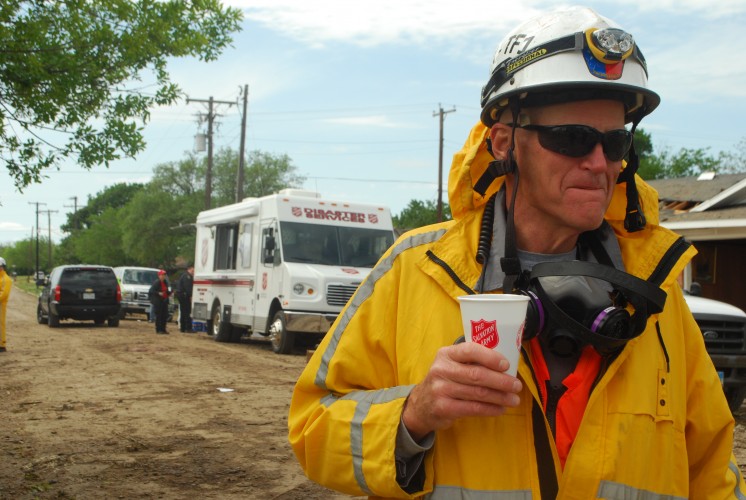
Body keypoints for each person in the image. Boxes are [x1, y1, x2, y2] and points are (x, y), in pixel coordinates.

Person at [288, 7, 746, 498]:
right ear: (504, 142)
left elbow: (712, 472)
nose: (598, 163)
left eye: (614, 143)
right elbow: (314, 426)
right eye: (572, 138)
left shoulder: (653, 295)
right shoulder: (413, 272)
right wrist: (414, 414)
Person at [148, 269, 171, 334]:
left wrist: (169, 293)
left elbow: (166, 290)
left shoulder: (165, 282)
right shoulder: (157, 282)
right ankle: (158, 329)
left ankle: (163, 329)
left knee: (164, 315)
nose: (163, 276)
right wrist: (158, 293)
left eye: (164, 275)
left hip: (164, 300)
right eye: (162, 275)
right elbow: (152, 291)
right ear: (159, 276)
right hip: (158, 301)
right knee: (159, 316)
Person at [175, 264, 194, 333]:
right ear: (190, 269)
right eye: (193, 269)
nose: (194, 271)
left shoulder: (185, 275)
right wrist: (191, 296)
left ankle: (183, 328)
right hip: (184, 296)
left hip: (181, 295)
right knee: (187, 312)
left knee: (183, 312)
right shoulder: (187, 277)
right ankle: (187, 328)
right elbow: (188, 288)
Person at [0, 257, 12, 353]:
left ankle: (2, 345)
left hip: (1, 305)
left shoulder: (6, 279)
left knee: (0, 324)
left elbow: (3, 294)